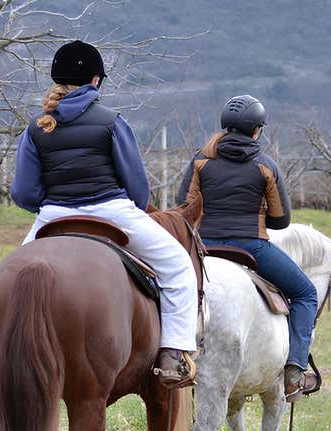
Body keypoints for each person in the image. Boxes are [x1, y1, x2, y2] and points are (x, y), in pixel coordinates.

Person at [11, 40, 198, 387]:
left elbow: (23, 193)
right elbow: (139, 190)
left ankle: (4, 354)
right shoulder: (112, 121)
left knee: (10, 280)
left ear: (57, 80)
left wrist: (53, 203)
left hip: (52, 217)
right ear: (95, 81)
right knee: (178, 266)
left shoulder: (36, 128)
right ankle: (174, 353)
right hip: (112, 211)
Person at [175, 95, 319, 402]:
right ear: (258, 130)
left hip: (204, 246)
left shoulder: (200, 160)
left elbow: (182, 207)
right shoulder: (265, 165)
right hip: (251, 247)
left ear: (225, 127)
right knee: (307, 293)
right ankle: (294, 372)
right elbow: (281, 220)